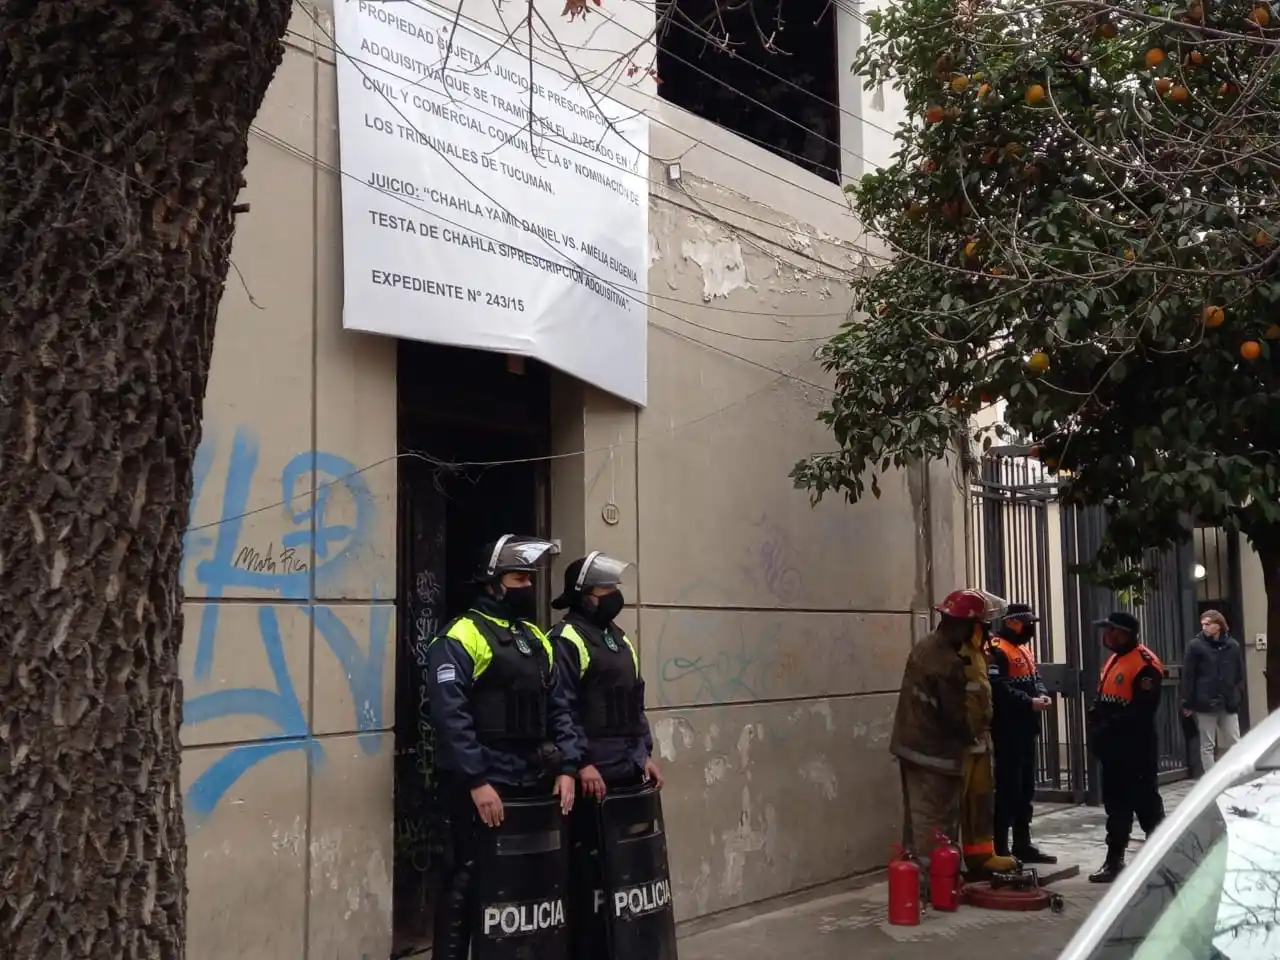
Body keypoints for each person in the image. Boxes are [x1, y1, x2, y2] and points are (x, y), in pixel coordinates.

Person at [426, 534, 583, 960]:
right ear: (492, 582)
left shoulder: (536, 638)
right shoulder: (461, 635)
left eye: (530, 578)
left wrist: (568, 767)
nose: (527, 586)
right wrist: (477, 780)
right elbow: (450, 716)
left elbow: (560, 708)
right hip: (483, 784)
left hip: (532, 778)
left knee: (532, 880)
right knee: (467, 878)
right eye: (518, 577)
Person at [891, 588, 1018, 879]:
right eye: (979, 626)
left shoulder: (932, 648)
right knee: (935, 824)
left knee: (921, 822)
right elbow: (954, 715)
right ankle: (934, 884)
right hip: (932, 753)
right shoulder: (946, 661)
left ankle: (922, 881)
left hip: (918, 747)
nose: (982, 632)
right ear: (964, 625)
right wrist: (972, 736)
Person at [548, 551, 663, 794]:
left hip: (628, 767)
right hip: (592, 773)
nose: (614, 594)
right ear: (585, 598)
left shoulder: (619, 639)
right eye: (605, 588)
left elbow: (635, 704)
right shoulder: (566, 639)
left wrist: (644, 756)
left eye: (614, 587)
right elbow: (561, 707)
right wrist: (582, 762)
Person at [1087, 611, 1165, 884]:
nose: (1106, 636)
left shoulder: (1146, 665)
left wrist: (1109, 729)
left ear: (1124, 633)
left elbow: (1141, 712)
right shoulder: (1115, 660)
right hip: (1113, 749)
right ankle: (1114, 861)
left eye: (1110, 630)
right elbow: (1104, 699)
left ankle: (1164, 860)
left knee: (1147, 807)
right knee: (1116, 806)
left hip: (1136, 748)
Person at [987, 603, 1057, 865]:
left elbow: (1035, 676)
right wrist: (1029, 702)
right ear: (1012, 623)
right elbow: (998, 689)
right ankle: (1001, 848)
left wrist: (1041, 694)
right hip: (1007, 730)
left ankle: (1022, 843)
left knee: (1026, 789)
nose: (1030, 629)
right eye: (1027, 623)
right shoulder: (996, 649)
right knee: (1008, 789)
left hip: (1027, 728)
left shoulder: (1023, 649)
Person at [1180, 609, 1244, 774]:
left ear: (1219, 626)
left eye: (1208, 624)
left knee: (1234, 741)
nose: (1204, 627)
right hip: (1205, 701)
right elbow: (1188, 675)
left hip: (1227, 700)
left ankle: (1235, 775)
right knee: (1207, 744)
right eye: (1202, 624)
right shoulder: (1195, 646)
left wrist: (1235, 693)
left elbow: (1239, 673)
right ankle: (1211, 778)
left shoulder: (1233, 646)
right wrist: (1187, 702)